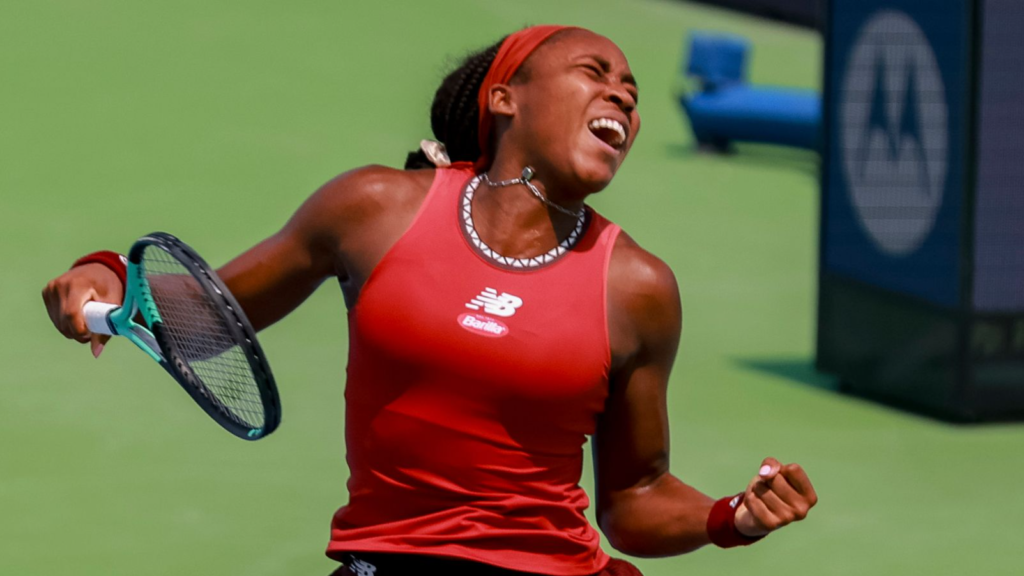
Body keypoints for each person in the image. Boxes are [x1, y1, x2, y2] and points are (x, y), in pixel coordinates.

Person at [42, 25, 817, 576]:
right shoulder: (373, 208)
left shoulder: (638, 288)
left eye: (632, 92)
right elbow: (207, 319)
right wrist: (108, 273)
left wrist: (732, 517)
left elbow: (635, 498)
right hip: (388, 562)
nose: (621, 93)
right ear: (507, 97)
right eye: (594, 71)